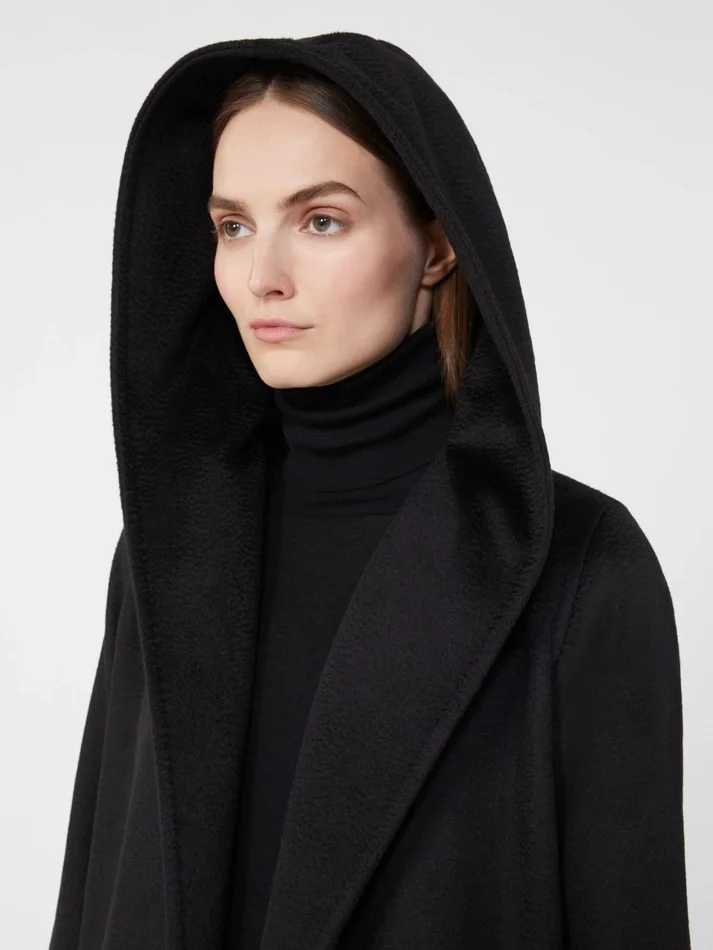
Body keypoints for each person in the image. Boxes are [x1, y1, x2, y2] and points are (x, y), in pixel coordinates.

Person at [47, 32, 691, 950]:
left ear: (437, 246)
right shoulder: (172, 543)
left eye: (320, 221)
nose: (262, 277)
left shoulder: (572, 564)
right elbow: (94, 888)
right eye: (233, 226)